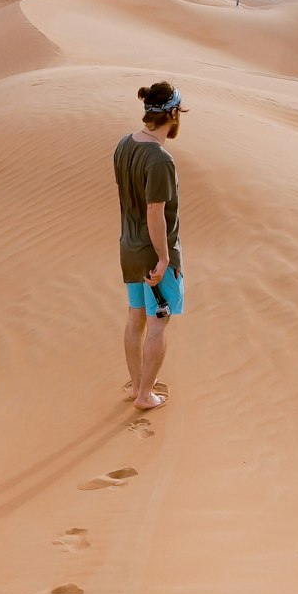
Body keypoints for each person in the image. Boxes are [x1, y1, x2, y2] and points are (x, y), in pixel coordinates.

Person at [113, 81, 186, 410]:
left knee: (135, 317)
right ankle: (145, 394)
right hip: (153, 253)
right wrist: (163, 257)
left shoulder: (124, 144)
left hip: (128, 247)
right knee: (159, 320)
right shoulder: (160, 159)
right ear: (172, 114)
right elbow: (154, 211)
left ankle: (136, 388)